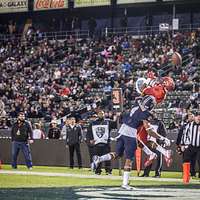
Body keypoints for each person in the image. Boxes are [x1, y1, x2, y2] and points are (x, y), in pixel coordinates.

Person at [91, 95, 166, 189]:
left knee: (118, 154)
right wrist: (162, 138)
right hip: (131, 132)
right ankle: (125, 184)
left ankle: (99, 159)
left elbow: (140, 97)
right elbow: (149, 130)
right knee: (129, 159)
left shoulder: (136, 104)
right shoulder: (146, 114)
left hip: (122, 129)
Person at [87, 110, 116, 175]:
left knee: (107, 158)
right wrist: (91, 139)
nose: (101, 115)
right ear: (97, 114)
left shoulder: (108, 122)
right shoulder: (93, 123)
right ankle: (98, 170)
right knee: (97, 157)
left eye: (102, 113)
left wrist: (117, 116)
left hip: (106, 143)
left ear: (104, 114)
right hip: (96, 143)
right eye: (100, 113)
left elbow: (116, 124)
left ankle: (108, 170)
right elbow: (89, 132)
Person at [177, 111, 200, 179]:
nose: (199, 118)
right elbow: (185, 135)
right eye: (197, 116)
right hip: (191, 145)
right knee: (186, 159)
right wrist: (183, 144)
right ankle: (186, 175)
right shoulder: (189, 125)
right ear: (195, 118)